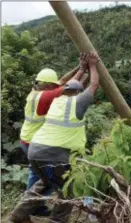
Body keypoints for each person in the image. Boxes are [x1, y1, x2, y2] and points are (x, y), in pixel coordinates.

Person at [9, 52, 100, 223]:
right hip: (51, 152)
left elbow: (65, 85)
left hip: (33, 147)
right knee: (68, 187)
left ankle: (19, 213)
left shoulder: (49, 99)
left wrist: (81, 68)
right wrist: (92, 66)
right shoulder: (61, 99)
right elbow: (93, 86)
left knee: (45, 182)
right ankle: (57, 220)